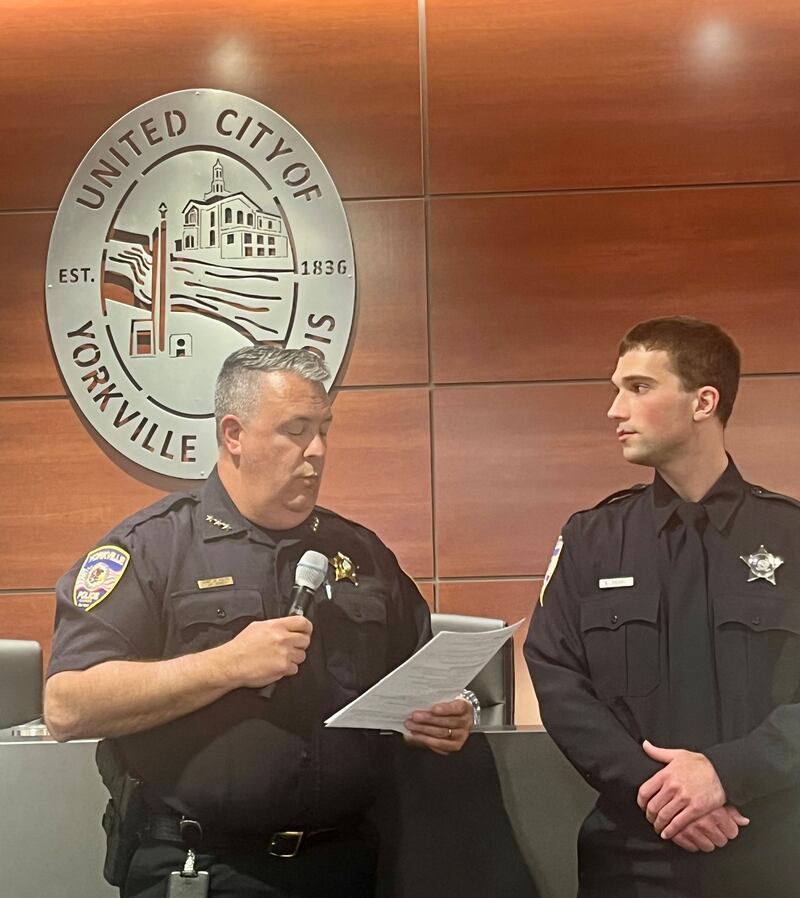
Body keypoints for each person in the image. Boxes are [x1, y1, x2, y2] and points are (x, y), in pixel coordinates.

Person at [44, 346, 474, 898]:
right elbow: (67, 706)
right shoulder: (154, 548)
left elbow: (422, 677)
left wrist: (446, 712)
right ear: (233, 434)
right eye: (295, 430)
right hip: (204, 868)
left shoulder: (361, 553)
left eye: (324, 429)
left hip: (344, 865)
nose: (316, 451)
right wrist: (227, 665)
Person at [524, 317, 800, 898]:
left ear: (703, 401)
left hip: (776, 848)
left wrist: (727, 775)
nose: (614, 409)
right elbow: (558, 679)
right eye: (616, 389)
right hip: (634, 853)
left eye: (639, 387)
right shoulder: (592, 539)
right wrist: (664, 793)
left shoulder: (791, 535)